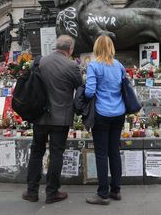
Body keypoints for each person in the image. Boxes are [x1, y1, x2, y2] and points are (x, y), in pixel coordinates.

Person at [23, 35, 82, 204]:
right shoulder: (72, 66)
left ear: (55, 46)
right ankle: (52, 192)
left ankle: (32, 191)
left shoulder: (39, 62)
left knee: (36, 152)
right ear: (70, 49)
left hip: (39, 116)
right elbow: (81, 87)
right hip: (61, 118)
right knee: (56, 154)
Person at [84, 35, 126, 205]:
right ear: (111, 48)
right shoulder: (119, 65)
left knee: (101, 154)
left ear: (96, 48)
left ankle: (102, 194)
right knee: (114, 151)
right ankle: (116, 190)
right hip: (119, 114)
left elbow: (89, 92)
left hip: (101, 114)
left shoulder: (93, 66)